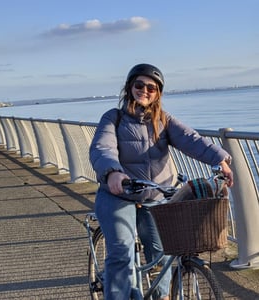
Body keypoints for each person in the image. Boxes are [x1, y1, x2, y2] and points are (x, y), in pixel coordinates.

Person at [89, 63, 233, 300]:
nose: (145, 90)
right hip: (118, 194)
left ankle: (162, 296)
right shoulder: (113, 118)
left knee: (163, 251)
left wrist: (220, 160)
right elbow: (102, 148)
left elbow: (191, 140)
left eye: (152, 88)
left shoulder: (163, 121)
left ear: (158, 93)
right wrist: (113, 172)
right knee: (122, 253)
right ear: (129, 87)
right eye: (139, 85)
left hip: (155, 195)